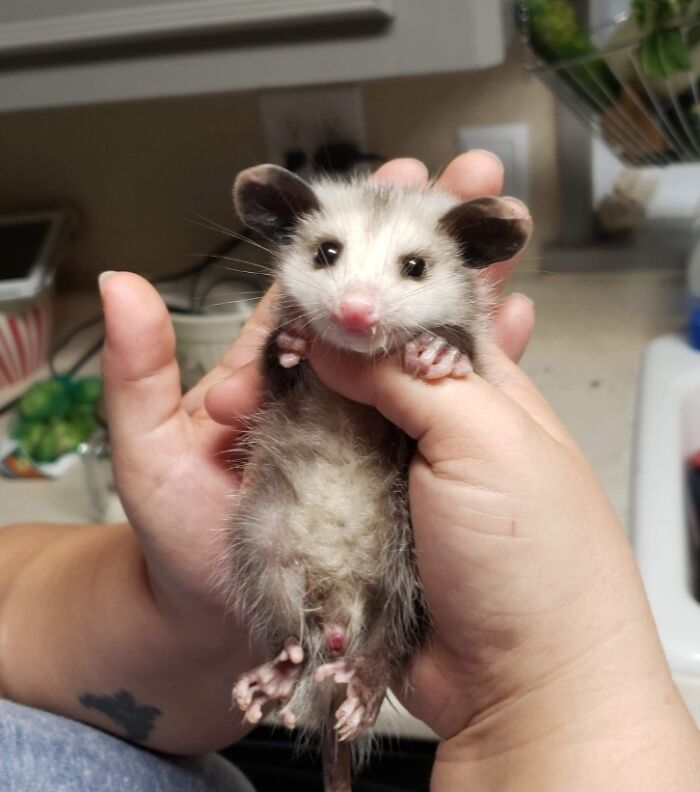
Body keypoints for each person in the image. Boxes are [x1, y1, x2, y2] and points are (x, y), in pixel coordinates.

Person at [1, 152, 699, 791]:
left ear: (464, 268)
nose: (357, 302)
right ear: (287, 236)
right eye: (328, 254)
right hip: (286, 524)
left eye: (414, 268)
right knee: (267, 544)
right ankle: (291, 653)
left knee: (393, 576)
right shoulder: (298, 342)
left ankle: (363, 667)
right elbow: (276, 397)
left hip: (370, 541)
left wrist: (539, 692)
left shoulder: (443, 366)